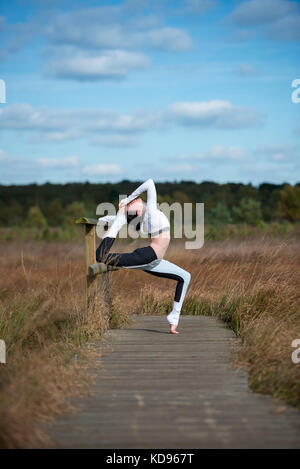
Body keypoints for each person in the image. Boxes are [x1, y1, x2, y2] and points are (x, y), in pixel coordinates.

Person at [96, 178, 191, 334]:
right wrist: (118, 218)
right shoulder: (151, 212)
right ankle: (114, 229)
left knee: (185, 276)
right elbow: (150, 183)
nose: (134, 200)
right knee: (101, 257)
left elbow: (148, 185)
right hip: (147, 256)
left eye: (132, 202)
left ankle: (173, 319)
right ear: (138, 212)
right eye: (132, 204)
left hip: (156, 261)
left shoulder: (148, 217)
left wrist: (125, 201)